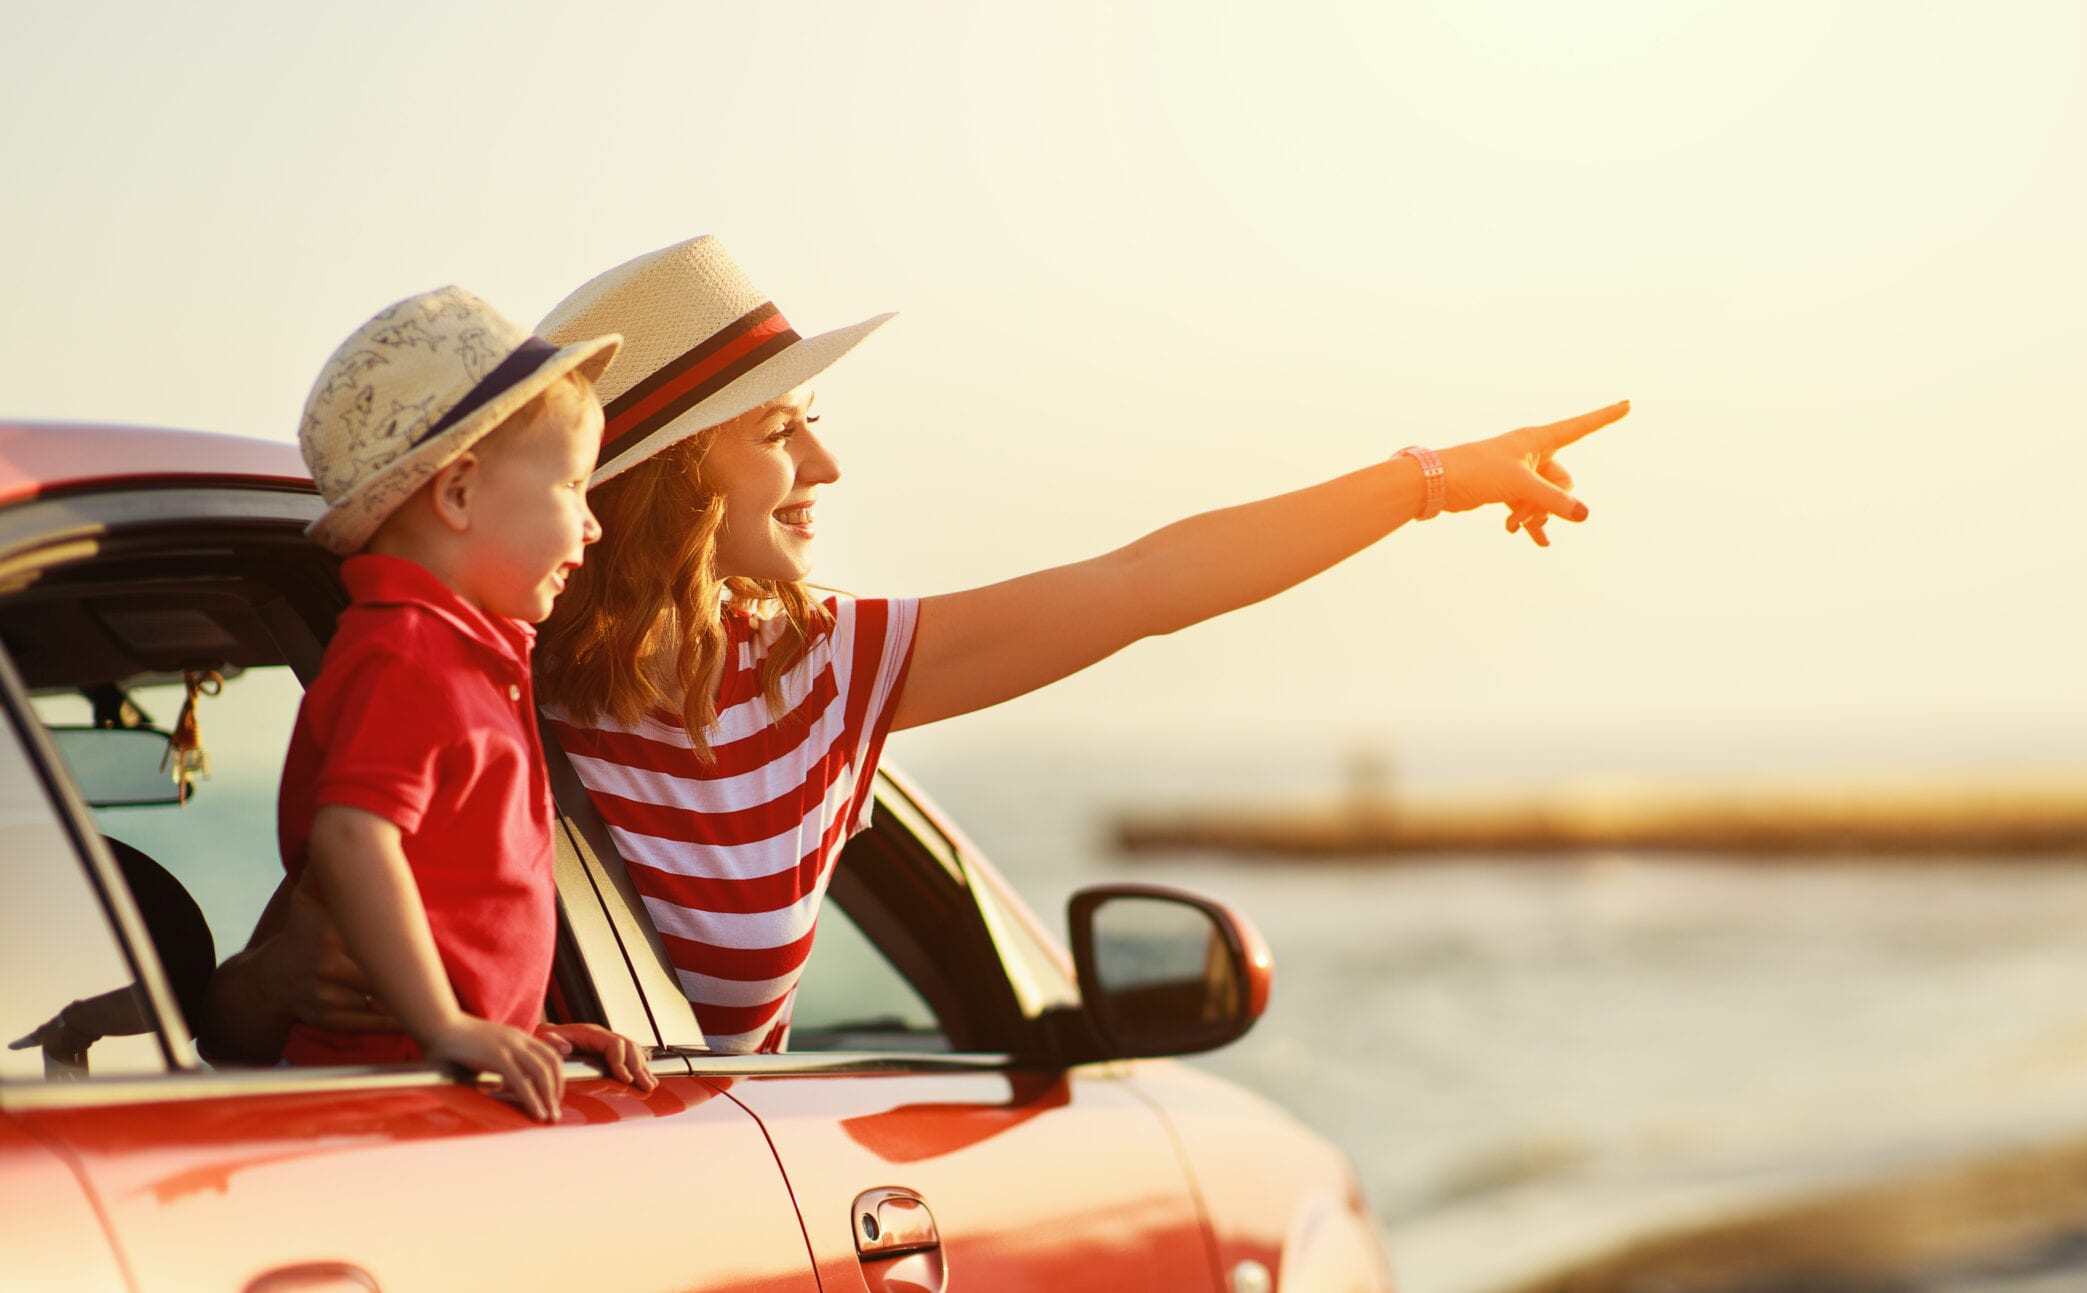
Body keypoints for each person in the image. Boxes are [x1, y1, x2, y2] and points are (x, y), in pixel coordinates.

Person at [205, 237, 1626, 1058]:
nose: (824, 460)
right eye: (776, 429)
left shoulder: (825, 677)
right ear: (668, 479)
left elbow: (1149, 580)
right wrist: (246, 989)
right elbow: (322, 943)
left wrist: (1434, 478)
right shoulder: (490, 665)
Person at [261, 287, 657, 1118]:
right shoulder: (406, 652)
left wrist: (527, 1026)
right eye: (574, 487)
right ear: (461, 495)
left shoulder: (466, 658)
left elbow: (460, 894)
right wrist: (443, 1023)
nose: (592, 527)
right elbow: (354, 835)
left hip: (421, 1076)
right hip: (389, 1090)